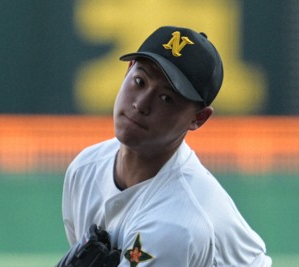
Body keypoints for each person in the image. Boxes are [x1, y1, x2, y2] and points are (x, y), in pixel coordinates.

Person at [58, 26, 272, 266]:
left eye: (166, 98)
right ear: (127, 72)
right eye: (139, 81)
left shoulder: (177, 222)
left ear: (198, 118)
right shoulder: (85, 169)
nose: (141, 104)